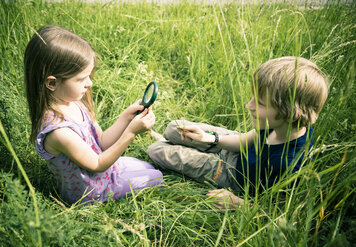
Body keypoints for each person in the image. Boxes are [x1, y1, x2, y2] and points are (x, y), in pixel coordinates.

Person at [147, 56, 329, 209]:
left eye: (260, 104)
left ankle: (167, 143)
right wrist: (209, 138)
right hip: (234, 146)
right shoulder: (276, 123)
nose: (248, 106)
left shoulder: (290, 164)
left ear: (291, 115)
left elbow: (272, 211)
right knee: (174, 128)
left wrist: (237, 203)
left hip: (232, 173)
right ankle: (172, 139)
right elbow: (246, 140)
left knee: (157, 150)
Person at [24, 25, 163, 205]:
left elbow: (102, 142)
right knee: (157, 178)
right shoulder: (60, 132)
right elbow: (98, 164)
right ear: (52, 83)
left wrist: (125, 118)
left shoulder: (74, 101)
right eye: (81, 79)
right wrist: (131, 133)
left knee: (147, 167)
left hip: (106, 173)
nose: (89, 83)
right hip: (93, 191)